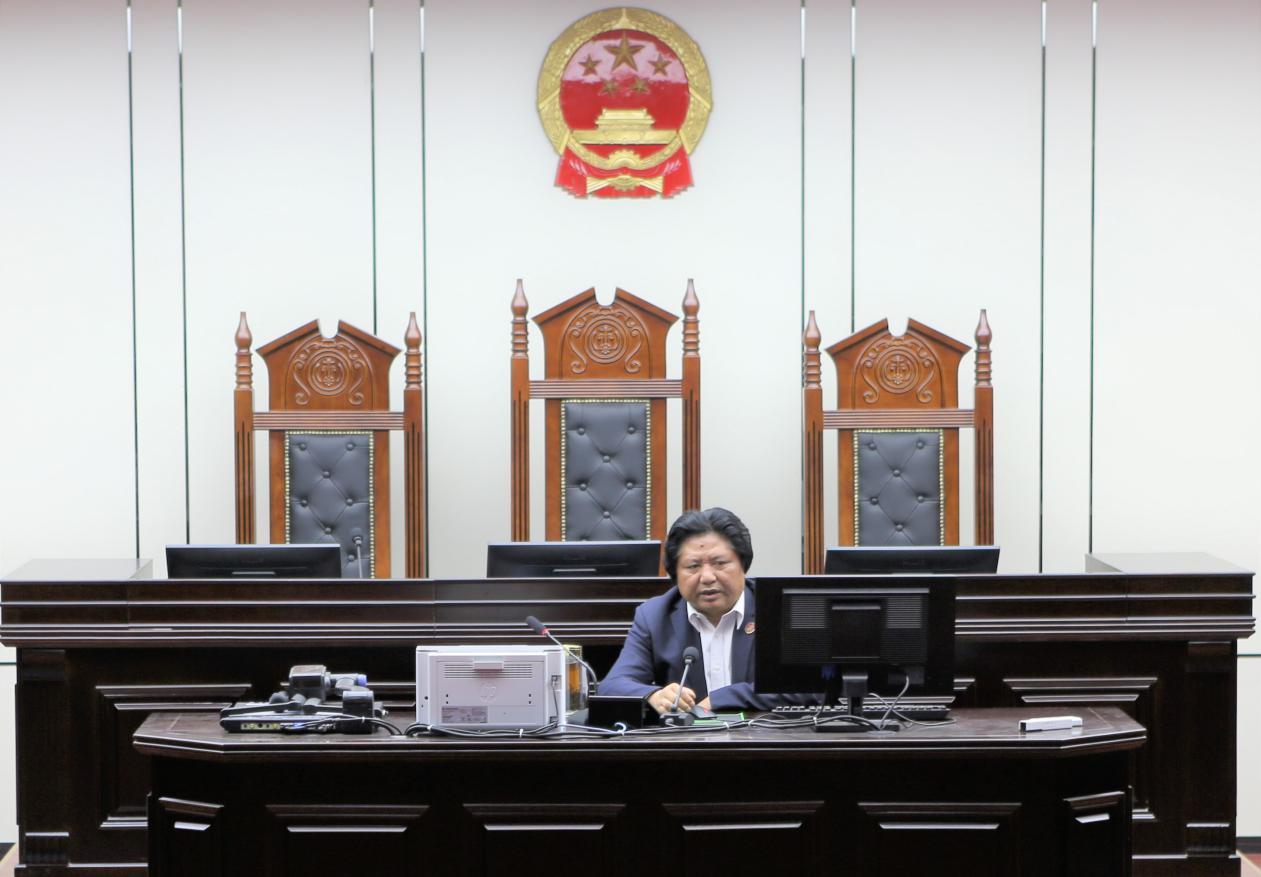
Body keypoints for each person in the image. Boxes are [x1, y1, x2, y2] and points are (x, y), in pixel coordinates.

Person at [599, 507, 812, 713]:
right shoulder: (654, 616)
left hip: (765, 735)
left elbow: (812, 686)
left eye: (720, 563)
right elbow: (612, 686)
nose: (708, 577)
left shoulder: (779, 607)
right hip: (688, 737)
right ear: (675, 574)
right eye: (693, 566)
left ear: (743, 564)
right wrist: (653, 695)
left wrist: (723, 698)